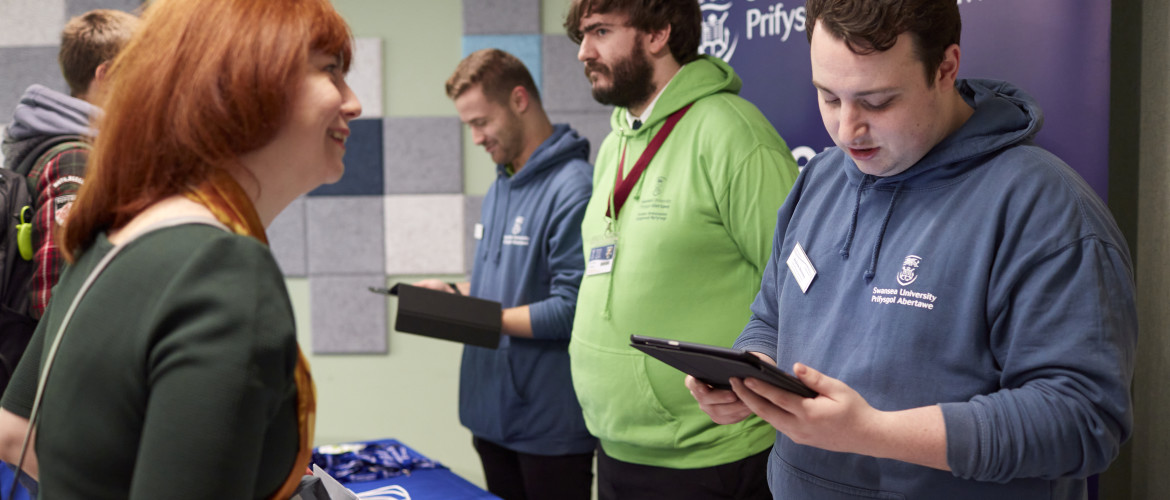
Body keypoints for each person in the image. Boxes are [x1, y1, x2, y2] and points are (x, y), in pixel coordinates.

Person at [687, 0, 1137, 498]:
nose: (846, 130)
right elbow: (771, 319)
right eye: (829, 97)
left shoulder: (1044, 208)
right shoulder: (817, 181)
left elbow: (1082, 419)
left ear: (945, 68)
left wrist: (873, 434)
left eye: (877, 101)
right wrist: (751, 371)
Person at [0, 0, 360, 497]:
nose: (353, 101)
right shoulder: (221, 268)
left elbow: (16, 433)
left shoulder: (109, 239)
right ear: (244, 85)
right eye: (331, 71)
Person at [563, 0, 800, 497]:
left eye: (600, 31)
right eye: (581, 37)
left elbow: (801, 286)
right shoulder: (615, 144)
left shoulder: (733, 132)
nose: (584, 51)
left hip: (713, 454)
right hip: (617, 448)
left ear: (658, 33)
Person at [413, 48, 595, 500]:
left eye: (481, 122)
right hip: (491, 417)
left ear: (519, 100)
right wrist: (452, 294)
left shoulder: (574, 186)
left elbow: (574, 308)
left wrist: (480, 318)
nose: (475, 138)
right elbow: (511, 287)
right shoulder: (502, 183)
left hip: (547, 428)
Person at [1, 9, 139, 319]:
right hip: (57, 361)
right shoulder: (73, 160)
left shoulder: (56, 147)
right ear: (106, 75)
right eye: (140, 72)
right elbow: (53, 294)